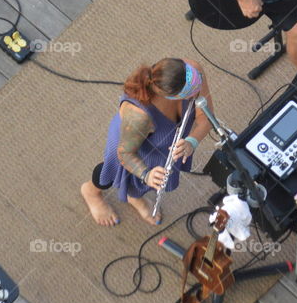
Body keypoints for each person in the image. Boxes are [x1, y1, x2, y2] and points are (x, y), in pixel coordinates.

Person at [81, 58, 214, 226]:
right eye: (193, 93)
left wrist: (192, 141)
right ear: (171, 95)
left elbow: (206, 118)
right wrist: (146, 174)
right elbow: (125, 153)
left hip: (163, 141)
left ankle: (134, 197)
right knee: (117, 173)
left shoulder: (192, 71)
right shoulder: (138, 116)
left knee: (152, 178)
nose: (199, 92)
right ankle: (91, 192)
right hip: (130, 143)